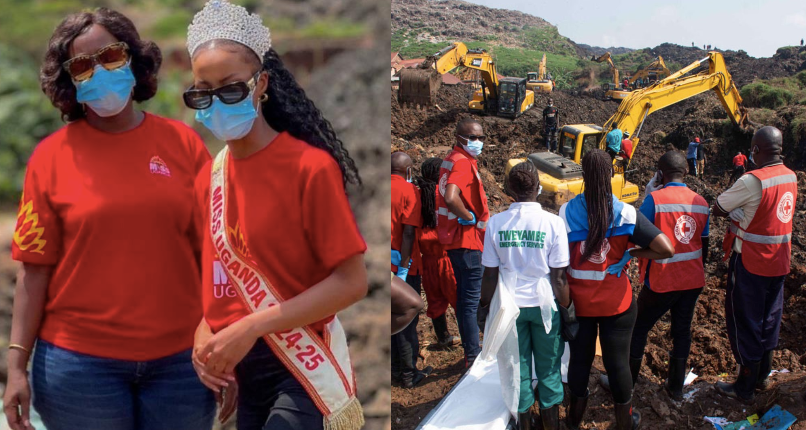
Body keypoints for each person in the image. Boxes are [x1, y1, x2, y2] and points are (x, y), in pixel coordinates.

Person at [3, 8, 217, 430]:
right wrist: (15, 368)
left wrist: (223, 342)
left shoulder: (184, 145)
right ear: (70, 81)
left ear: (134, 61)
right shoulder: (50, 158)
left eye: (111, 57)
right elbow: (33, 272)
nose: (99, 72)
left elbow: (212, 256)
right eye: (82, 65)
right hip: (79, 370)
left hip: (182, 367)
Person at [185, 1, 368, 428]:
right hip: (238, 370)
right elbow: (218, 282)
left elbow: (351, 281)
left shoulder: (309, 168)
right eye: (202, 92)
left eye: (230, 89)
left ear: (260, 84)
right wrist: (205, 338)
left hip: (300, 365)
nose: (215, 102)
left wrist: (251, 327)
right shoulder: (209, 180)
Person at [560, 149, 674, 430]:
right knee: (618, 364)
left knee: (579, 362)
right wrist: (633, 254)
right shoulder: (626, 213)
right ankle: (625, 422)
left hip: (580, 306)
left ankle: (573, 420)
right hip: (618, 305)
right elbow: (666, 249)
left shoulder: (566, 212)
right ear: (612, 174)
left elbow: (558, 265)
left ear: (583, 176)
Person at [601, 151, 710, 401]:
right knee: (682, 331)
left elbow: (636, 233)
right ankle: (675, 388)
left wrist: (630, 255)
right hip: (692, 281)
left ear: (660, 173)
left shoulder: (654, 200)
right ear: (686, 172)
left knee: (638, 327)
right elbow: (704, 245)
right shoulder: (701, 202)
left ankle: (625, 385)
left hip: (663, 281)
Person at [478, 161, 576, 430]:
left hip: (510, 308)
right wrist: (568, 311)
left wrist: (483, 307)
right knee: (548, 367)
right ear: (538, 187)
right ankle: (550, 423)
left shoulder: (496, 223)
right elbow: (558, 278)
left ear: (510, 189)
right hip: (545, 307)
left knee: (517, 367)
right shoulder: (553, 223)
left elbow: (489, 275)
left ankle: (524, 423)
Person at [713, 126, 797, 402]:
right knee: (770, 318)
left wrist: (739, 211)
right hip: (780, 260)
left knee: (746, 321)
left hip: (751, 262)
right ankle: (763, 376)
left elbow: (720, 206)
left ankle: (744, 387)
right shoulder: (790, 176)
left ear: (756, 150)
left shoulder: (753, 181)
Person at [437, 117, 491, 368]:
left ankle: (470, 351)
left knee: (463, 300)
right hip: (467, 241)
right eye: (472, 138)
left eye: (481, 138)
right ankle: (473, 354)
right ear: (459, 137)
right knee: (470, 302)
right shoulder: (462, 163)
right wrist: (468, 216)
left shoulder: (451, 159)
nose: (477, 142)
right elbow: (450, 197)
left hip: (455, 241)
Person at [390, 151, 432, 388]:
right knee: (407, 318)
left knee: (391, 315)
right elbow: (408, 231)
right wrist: (405, 266)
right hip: (404, 264)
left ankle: (395, 369)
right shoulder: (409, 191)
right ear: (407, 171)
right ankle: (408, 373)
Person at [417, 158, 460, 348]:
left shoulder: (418, 196)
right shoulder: (445, 195)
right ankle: (472, 340)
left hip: (427, 260)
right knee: (460, 300)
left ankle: (443, 338)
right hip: (447, 257)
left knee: (434, 301)